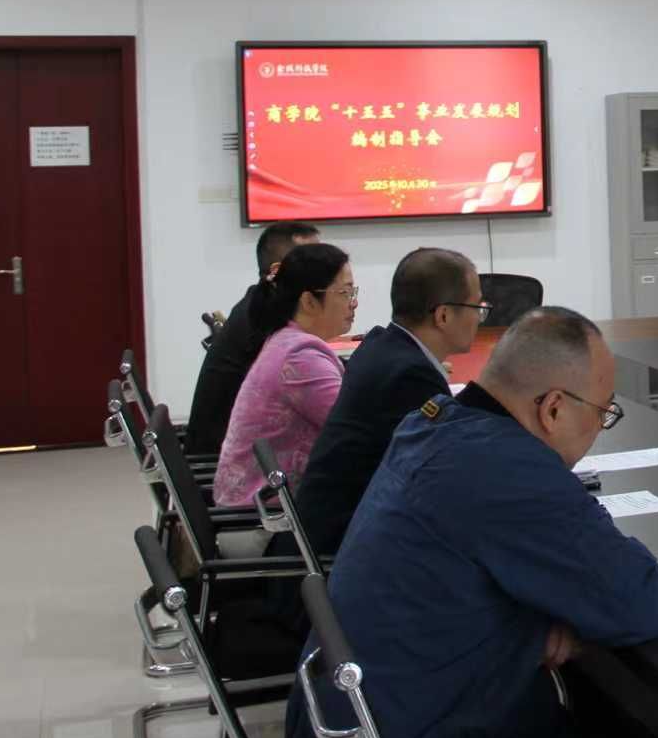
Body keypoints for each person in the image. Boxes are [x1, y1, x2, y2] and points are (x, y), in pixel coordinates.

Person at [284, 307, 658, 738]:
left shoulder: (429, 423)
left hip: (351, 721)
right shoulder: (507, 470)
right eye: (603, 412)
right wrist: (552, 622)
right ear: (553, 408)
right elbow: (639, 599)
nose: (599, 429)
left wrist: (528, 625)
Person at [292, 248, 485, 559]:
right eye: (477, 307)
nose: (480, 317)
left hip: (338, 531)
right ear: (444, 316)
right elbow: (448, 475)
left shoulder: (382, 345)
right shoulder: (410, 376)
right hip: (344, 551)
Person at [210, 242, 356, 508]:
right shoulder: (300, 357)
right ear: (308, 301)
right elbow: (356, 427)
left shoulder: (288, 340)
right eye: (345, 292)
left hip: (266, 500)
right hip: (266, 514)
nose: (354, 302)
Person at [185, 222, 319, 455]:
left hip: (245, 449)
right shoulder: (263, 323)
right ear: (278, 270)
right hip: (229, 461)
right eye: (314, 262)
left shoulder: (258, 304)